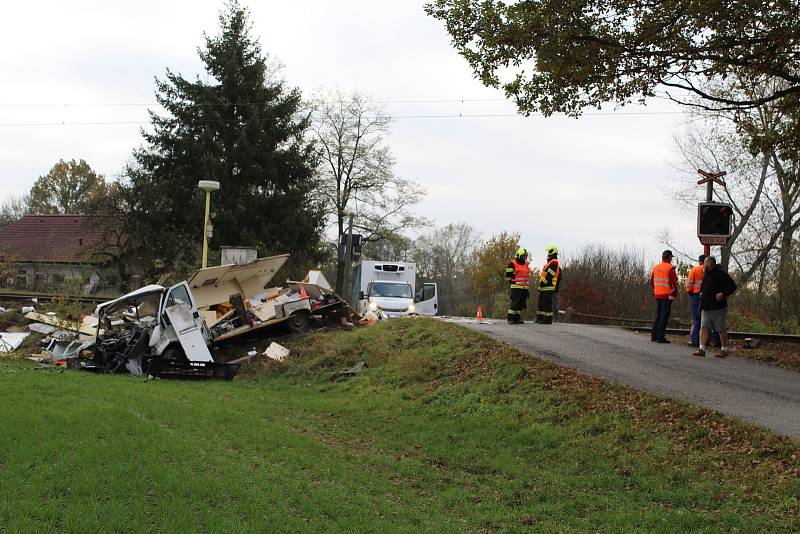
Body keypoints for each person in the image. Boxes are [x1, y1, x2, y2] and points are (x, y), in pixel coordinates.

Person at [692, 256, 737, 358]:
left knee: (720, 328)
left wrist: (723, 294)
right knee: (703, 327)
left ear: (710, 264)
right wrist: (700, 294)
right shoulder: (705, 274)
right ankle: (701, 348)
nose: (703, 265)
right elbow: (704, 287)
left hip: (718, 307)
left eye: (705, 263)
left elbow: (733, 286)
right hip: (705, 306)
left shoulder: (721, 274)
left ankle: (724, 349)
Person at [649, 249, 678, 343]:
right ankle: (660, 336)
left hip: (658, 294)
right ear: (669, 258)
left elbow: (652, 281)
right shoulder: (670, 268)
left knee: (659, 315)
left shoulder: (656, 267)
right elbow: (673, 283)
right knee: (664, 316)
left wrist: (655, 290)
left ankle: (654, 335)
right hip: (667, 295)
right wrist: (675, 293)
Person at [535, 246, 561, 324]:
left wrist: (543, 283)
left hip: (548, 287)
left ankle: (547, 320)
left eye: (549, 252)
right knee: (541, 303)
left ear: (552, 252)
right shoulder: (549, 263)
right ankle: (540, 318)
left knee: (547, 304)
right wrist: (541, 285)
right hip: (544, 287)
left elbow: (550, 274)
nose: (548, 254)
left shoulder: (554, 262)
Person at [505, 248, 531, 324]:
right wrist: (512, 282)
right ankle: (510, 319)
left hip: (524, 287)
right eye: (523, 256)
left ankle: (517, 318)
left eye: (525, 256)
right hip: (516, 286)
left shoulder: (526, 264)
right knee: (515, 303)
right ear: (519, 256)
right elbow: (508, 275)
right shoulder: (512, 263)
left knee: (521, 304)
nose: (524, 258)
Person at [686, 254, 706, 347]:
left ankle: (695, 340)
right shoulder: (709, 270)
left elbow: (689, 284)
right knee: (706, 319)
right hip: (707, 296)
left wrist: (691, 292)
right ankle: (706, 341)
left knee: (696, 318)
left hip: (696, 295)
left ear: (699, 261)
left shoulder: (695, 269)